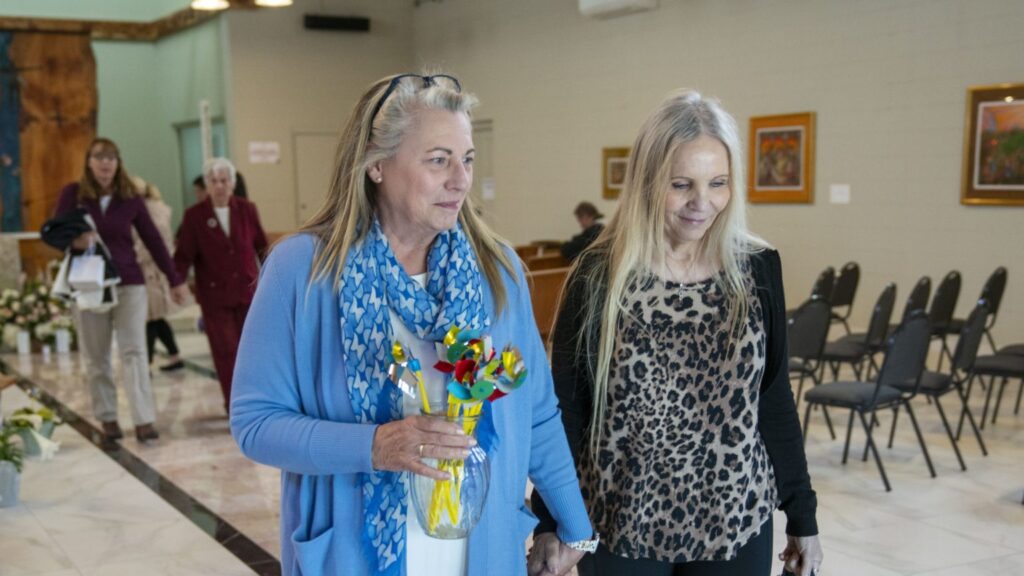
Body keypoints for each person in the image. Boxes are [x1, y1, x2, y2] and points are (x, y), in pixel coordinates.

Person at [230, 73, 595, 576]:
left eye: (466, 160)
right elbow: (255, 424)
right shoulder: (303, 269)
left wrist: (576, 526)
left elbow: (535, 412)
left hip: (479, 547)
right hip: (356, 553)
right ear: (377, 164)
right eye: (438, 160)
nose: (460, 179)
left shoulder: (497, 270)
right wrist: (374, 446)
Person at [529, 90, 823, 576]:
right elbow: (567, 411)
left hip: (735, 519)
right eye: (681, 184)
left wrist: (802, 516)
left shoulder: (757, 270)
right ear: (647, 182)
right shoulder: (599, 276)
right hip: (621, 520)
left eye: (718, 183)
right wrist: (548, 520)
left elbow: (772, 398)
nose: (701, 204)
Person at [54, 138, 188, 443]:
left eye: (111, 157)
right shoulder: (73, 195)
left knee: (135, 351)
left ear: (118, 163)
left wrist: (175, 279)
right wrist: (72, 242)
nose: (105, 163)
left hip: (129, 282)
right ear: (89, 161)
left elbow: (154, 240)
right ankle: (108, 417)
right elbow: (53, 231)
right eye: (100, 157)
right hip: (89, 284)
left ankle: (144, 419)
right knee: (96, 355)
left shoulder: (130, 198)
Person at [174, 157, 267, 414]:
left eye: (224, 181)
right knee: (226, 353)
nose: (219, 186)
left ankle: (256, 402)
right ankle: (235, 406)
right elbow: (183, 255)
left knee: (251, 350)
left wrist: (273, 275)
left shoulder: (247, 210)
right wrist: (177, 282)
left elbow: (261, 246)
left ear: (233, 183)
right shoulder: (195, 216)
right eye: (214, 181)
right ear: (207, 185)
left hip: (247, 293)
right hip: (215, 296)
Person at [130, 177, 186, 372]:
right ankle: (172, 355)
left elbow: (152, 243)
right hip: (153, 270)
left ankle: (147, 363)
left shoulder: (149, 211)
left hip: (150, 270)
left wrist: (131, 255)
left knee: (151, 318)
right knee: (154, 318)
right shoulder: (158, 208)